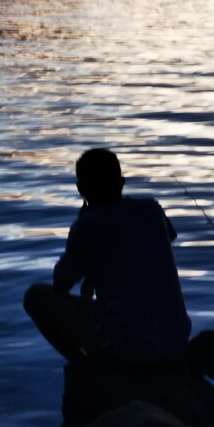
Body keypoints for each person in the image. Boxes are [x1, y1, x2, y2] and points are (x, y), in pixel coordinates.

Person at [24, 148, 191, 364]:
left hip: (134, 348)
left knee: (35, 297)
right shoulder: (152, 209)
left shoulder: (87, 225)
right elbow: (160, 241)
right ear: (122, 182)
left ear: (80, 189)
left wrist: (84, 238)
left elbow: (61, 284)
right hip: (177, 341)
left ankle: (85, 365)